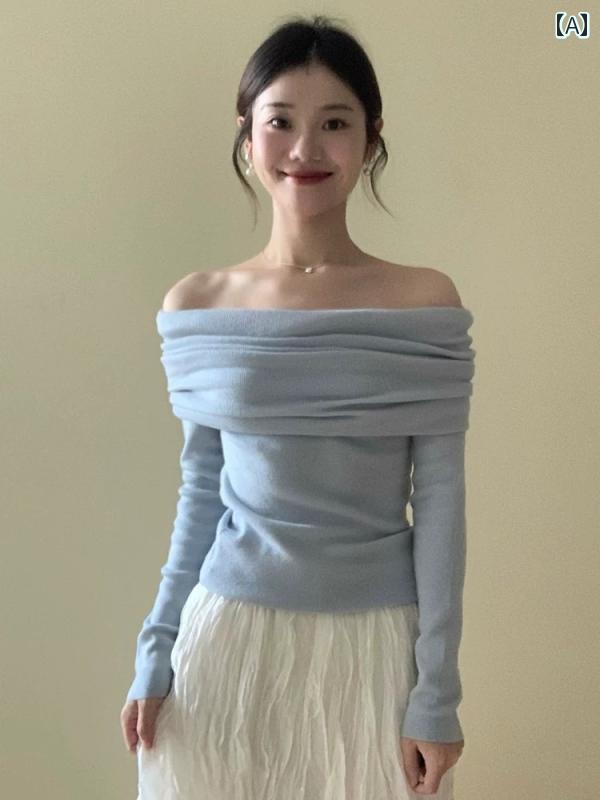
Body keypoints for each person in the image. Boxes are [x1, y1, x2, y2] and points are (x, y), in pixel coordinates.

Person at [120, 13, 475, 800]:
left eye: (335, 123)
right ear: (247, 135)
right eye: (280, 121)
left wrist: (436, 692)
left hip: (374, 650)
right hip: (225, 647)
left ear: (371, 139)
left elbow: (441, 506)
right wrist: (156, 648)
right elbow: (202, 493)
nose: (305, 148)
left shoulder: (424, 304)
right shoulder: (199, 305)